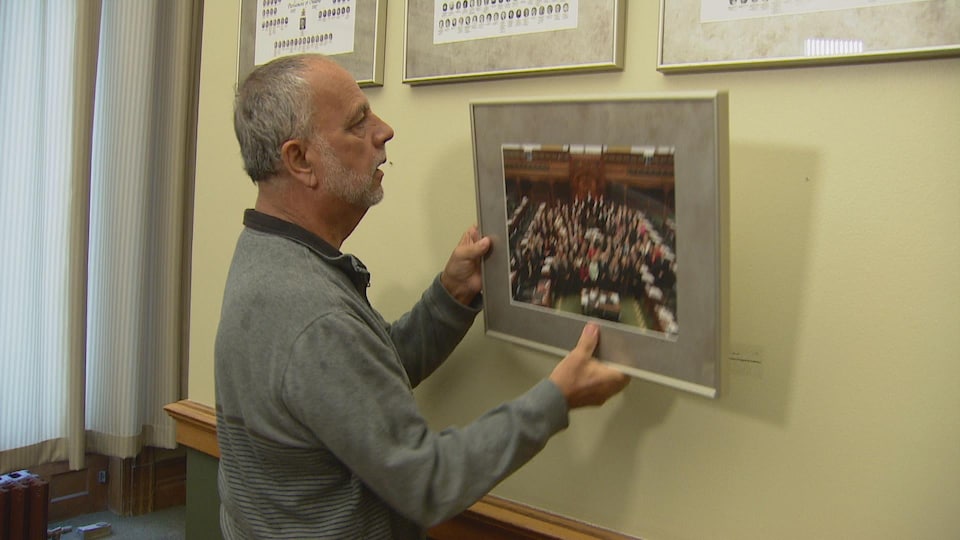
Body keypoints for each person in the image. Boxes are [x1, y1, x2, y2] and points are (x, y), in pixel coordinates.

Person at [215, 53, 630, 540]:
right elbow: (426, 482)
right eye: (358, 122)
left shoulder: (268, 252)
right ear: (301, 160)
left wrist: (449, 298)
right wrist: (557, 398)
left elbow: (360, 383)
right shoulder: (311, 311)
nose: (384, 130)